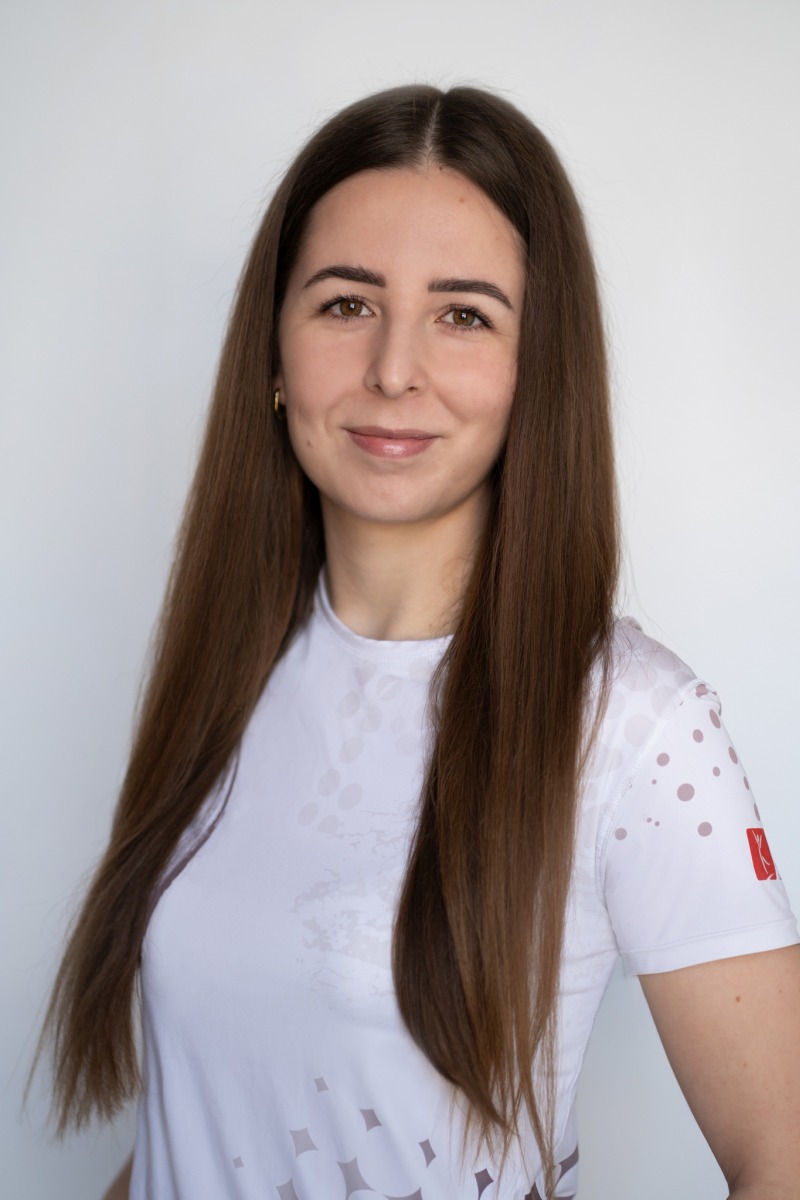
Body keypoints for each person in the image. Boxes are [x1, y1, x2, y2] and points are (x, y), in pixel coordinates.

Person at [40, 84, 800, 1200]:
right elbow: (205, 1121)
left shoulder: (631, 727)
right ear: (273, 352)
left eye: (463, 315)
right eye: (346, 303)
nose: (394, 369)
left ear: (537, 367)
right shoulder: (227, 669)